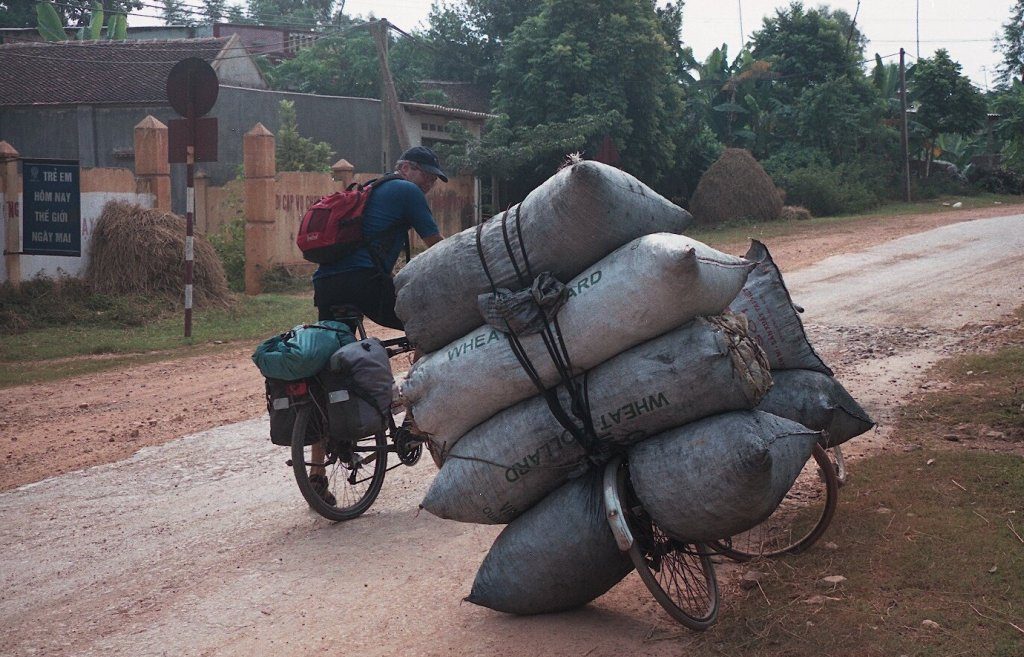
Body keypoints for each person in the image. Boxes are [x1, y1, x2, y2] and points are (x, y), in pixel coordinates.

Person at [312, 145, 447, 329]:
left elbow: (369, 248)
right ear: (405, 168)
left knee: (336, 341)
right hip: (362, 282)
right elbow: (436, 244)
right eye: (427, 176)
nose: (429, 183)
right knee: (431, 325)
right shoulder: (408, 190)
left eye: (434, 180)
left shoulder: (372, 187)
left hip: (326, 283)